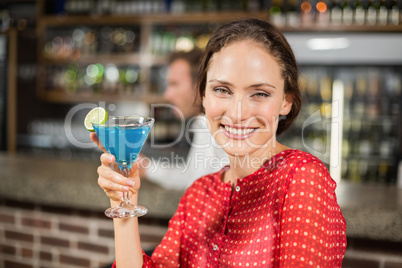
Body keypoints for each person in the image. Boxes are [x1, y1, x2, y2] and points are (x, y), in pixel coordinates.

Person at [91, 18, 347, 267]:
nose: (237, 113)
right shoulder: (199, 195)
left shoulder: (301, 179)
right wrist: (123, 200)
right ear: (202, 95)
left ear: (286, 101)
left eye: (260, 93)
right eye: (222, 90)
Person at [141, 49, 229, 190]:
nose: (167, 94)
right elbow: (193, 177)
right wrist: (146, 167)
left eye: (174, 84)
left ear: (200, 85)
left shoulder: (219, 128)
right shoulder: (203, 123)